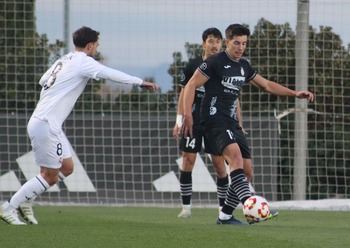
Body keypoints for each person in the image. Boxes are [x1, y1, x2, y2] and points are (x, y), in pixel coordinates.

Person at [0, 26, 159, 225]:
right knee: (49, 177)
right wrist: (139, 82)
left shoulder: (65, 59)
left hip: (49, 123)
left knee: (66, 168)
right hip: (45, 123)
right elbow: (109, 73)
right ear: (90, 45)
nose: (97, 50)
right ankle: (9, 207)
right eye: (97, 46)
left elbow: (43, 80)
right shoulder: (85, 62)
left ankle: (26, 200)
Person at [182, 23, 314, 225]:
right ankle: (251, 204)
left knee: (247, 172)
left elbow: (267, 85)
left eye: (244, 43)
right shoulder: (215, 62)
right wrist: (187, 115)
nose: (240, 47)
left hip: (232, 123)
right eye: (236, 43)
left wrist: (295, 93)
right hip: (214, 119)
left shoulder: (243, 65)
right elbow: (191, 84)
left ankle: (225, 216)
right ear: (227, 42)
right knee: (235, 158)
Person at [173, 27, 228, 218]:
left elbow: (234, 97)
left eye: (217, 41)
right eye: (210, 41)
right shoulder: (192, 65)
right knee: (188, 161)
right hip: (193, 121)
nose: (214, 45)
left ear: (222, 44)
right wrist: (179, 120)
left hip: (216, 121)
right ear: (203, 44)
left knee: (219, 164)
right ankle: (186, 208)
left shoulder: (226, 66)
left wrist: (237, 122)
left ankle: (223, 210)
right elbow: (183, 94)